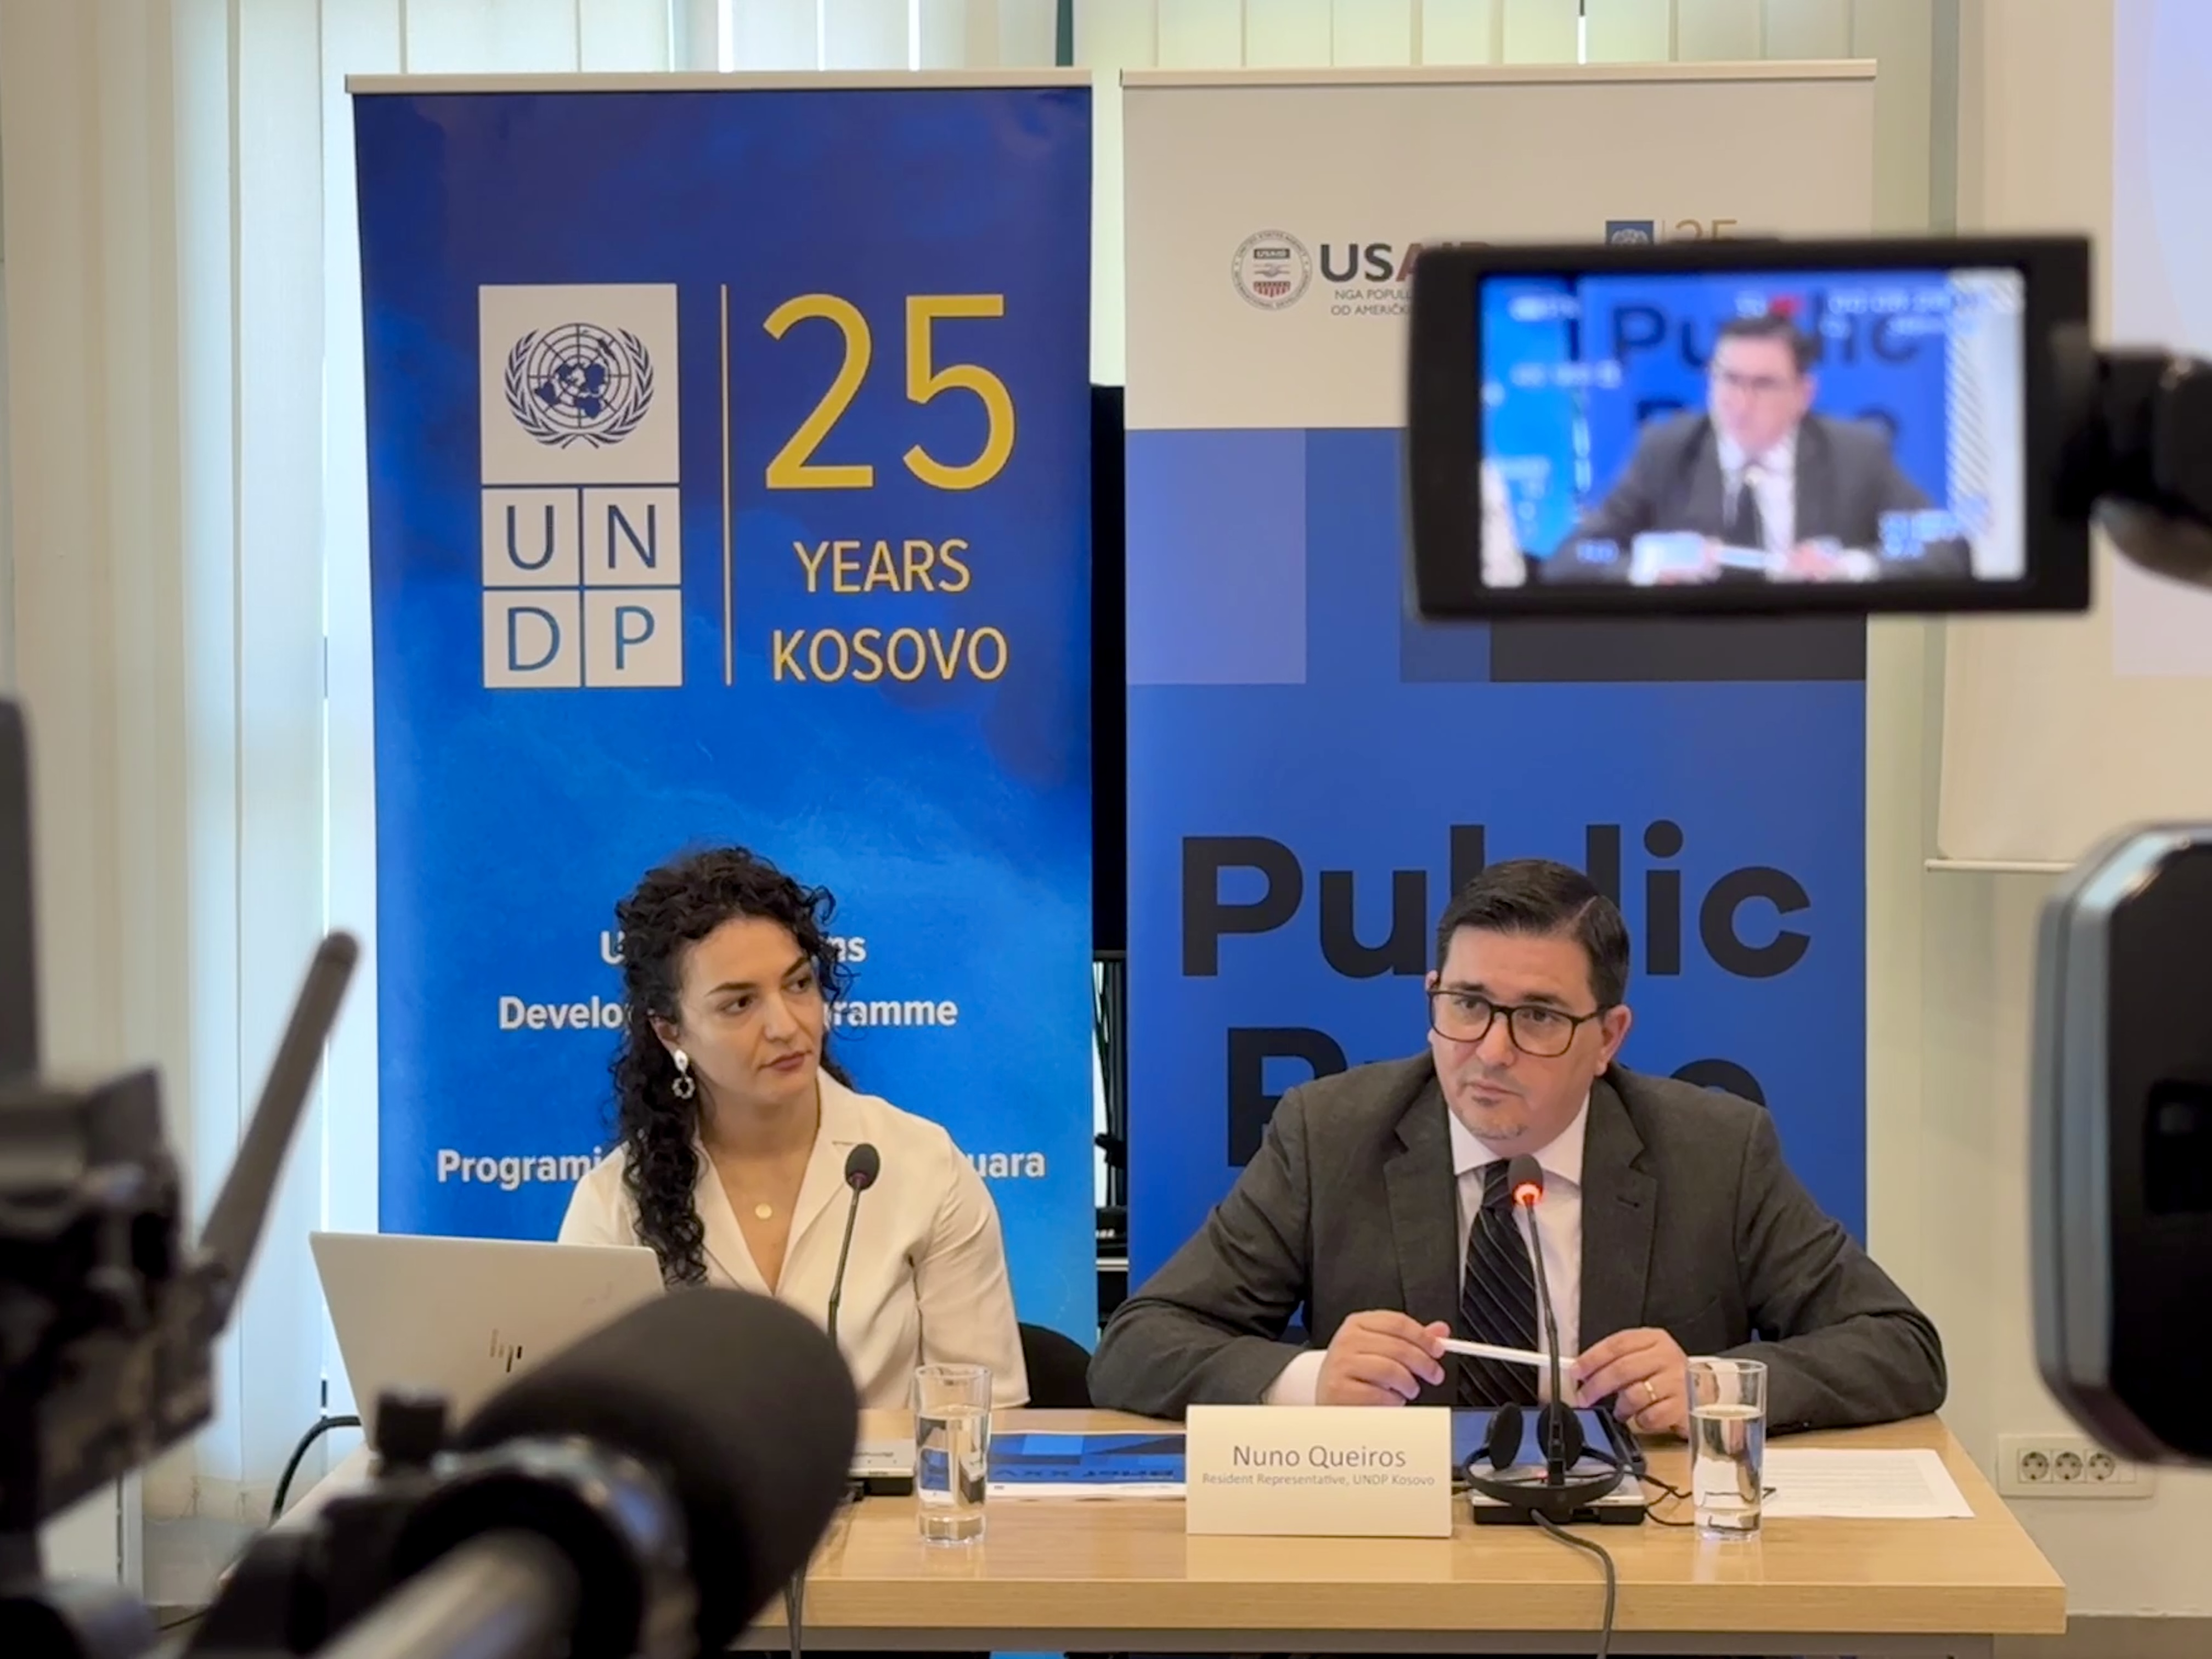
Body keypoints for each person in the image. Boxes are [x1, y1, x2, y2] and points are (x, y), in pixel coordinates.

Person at [1088, 857, 1944, 1435]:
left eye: (1537, 1016)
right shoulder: (1330, 1133)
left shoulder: (1713, 1150)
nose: (1491, 1050)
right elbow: (1140, 1345)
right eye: (1466, 1004)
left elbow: (1900, 1347)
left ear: (1608, 1037)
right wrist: (1309, 1382)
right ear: (1433, 995)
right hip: (1391, 1581)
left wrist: (1712, 1385)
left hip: (1641, 1579)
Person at [560, 845, 1029, 1410]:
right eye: (739, 1005)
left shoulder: (922, 1165)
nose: (786, 1025)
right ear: (671, 1033)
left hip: (897, 1502)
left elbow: (981, 1416)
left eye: (799, 985)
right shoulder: (615, 1203)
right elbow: (589, 1425)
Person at [1557, 311, 1970, 584]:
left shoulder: (1855, 454)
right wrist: (1646, 568)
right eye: (1728, 379)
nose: (1740, 400)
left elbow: (1948, 551)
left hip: (1821, 657)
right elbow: (1571, 560)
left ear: (1803, 394)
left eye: (1763, 384)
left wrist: (1846, 566)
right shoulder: (1666, 450)